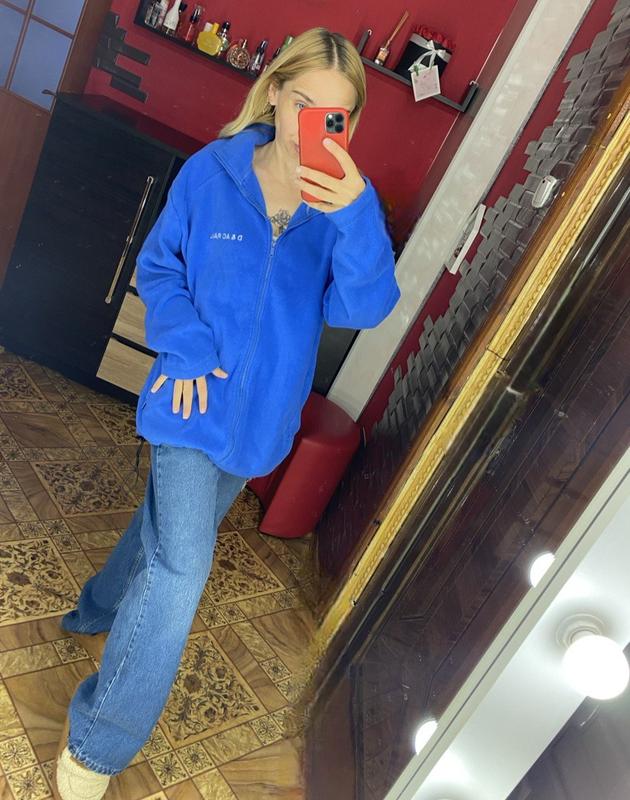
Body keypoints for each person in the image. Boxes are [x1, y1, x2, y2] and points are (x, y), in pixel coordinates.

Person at [52, 25, 401, 800]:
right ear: (274, 92)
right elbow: (160, 266)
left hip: (260, 427)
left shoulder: (342, 209)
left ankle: (97, 605)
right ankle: (97, 743)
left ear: (348, 125)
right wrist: (182, 344)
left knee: (168, 540)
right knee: (181, 571)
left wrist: (356, 215)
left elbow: (364, 307)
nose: (311, 123)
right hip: (190, 401)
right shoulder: (213, 173)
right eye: (301, 100)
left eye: (333, 114)